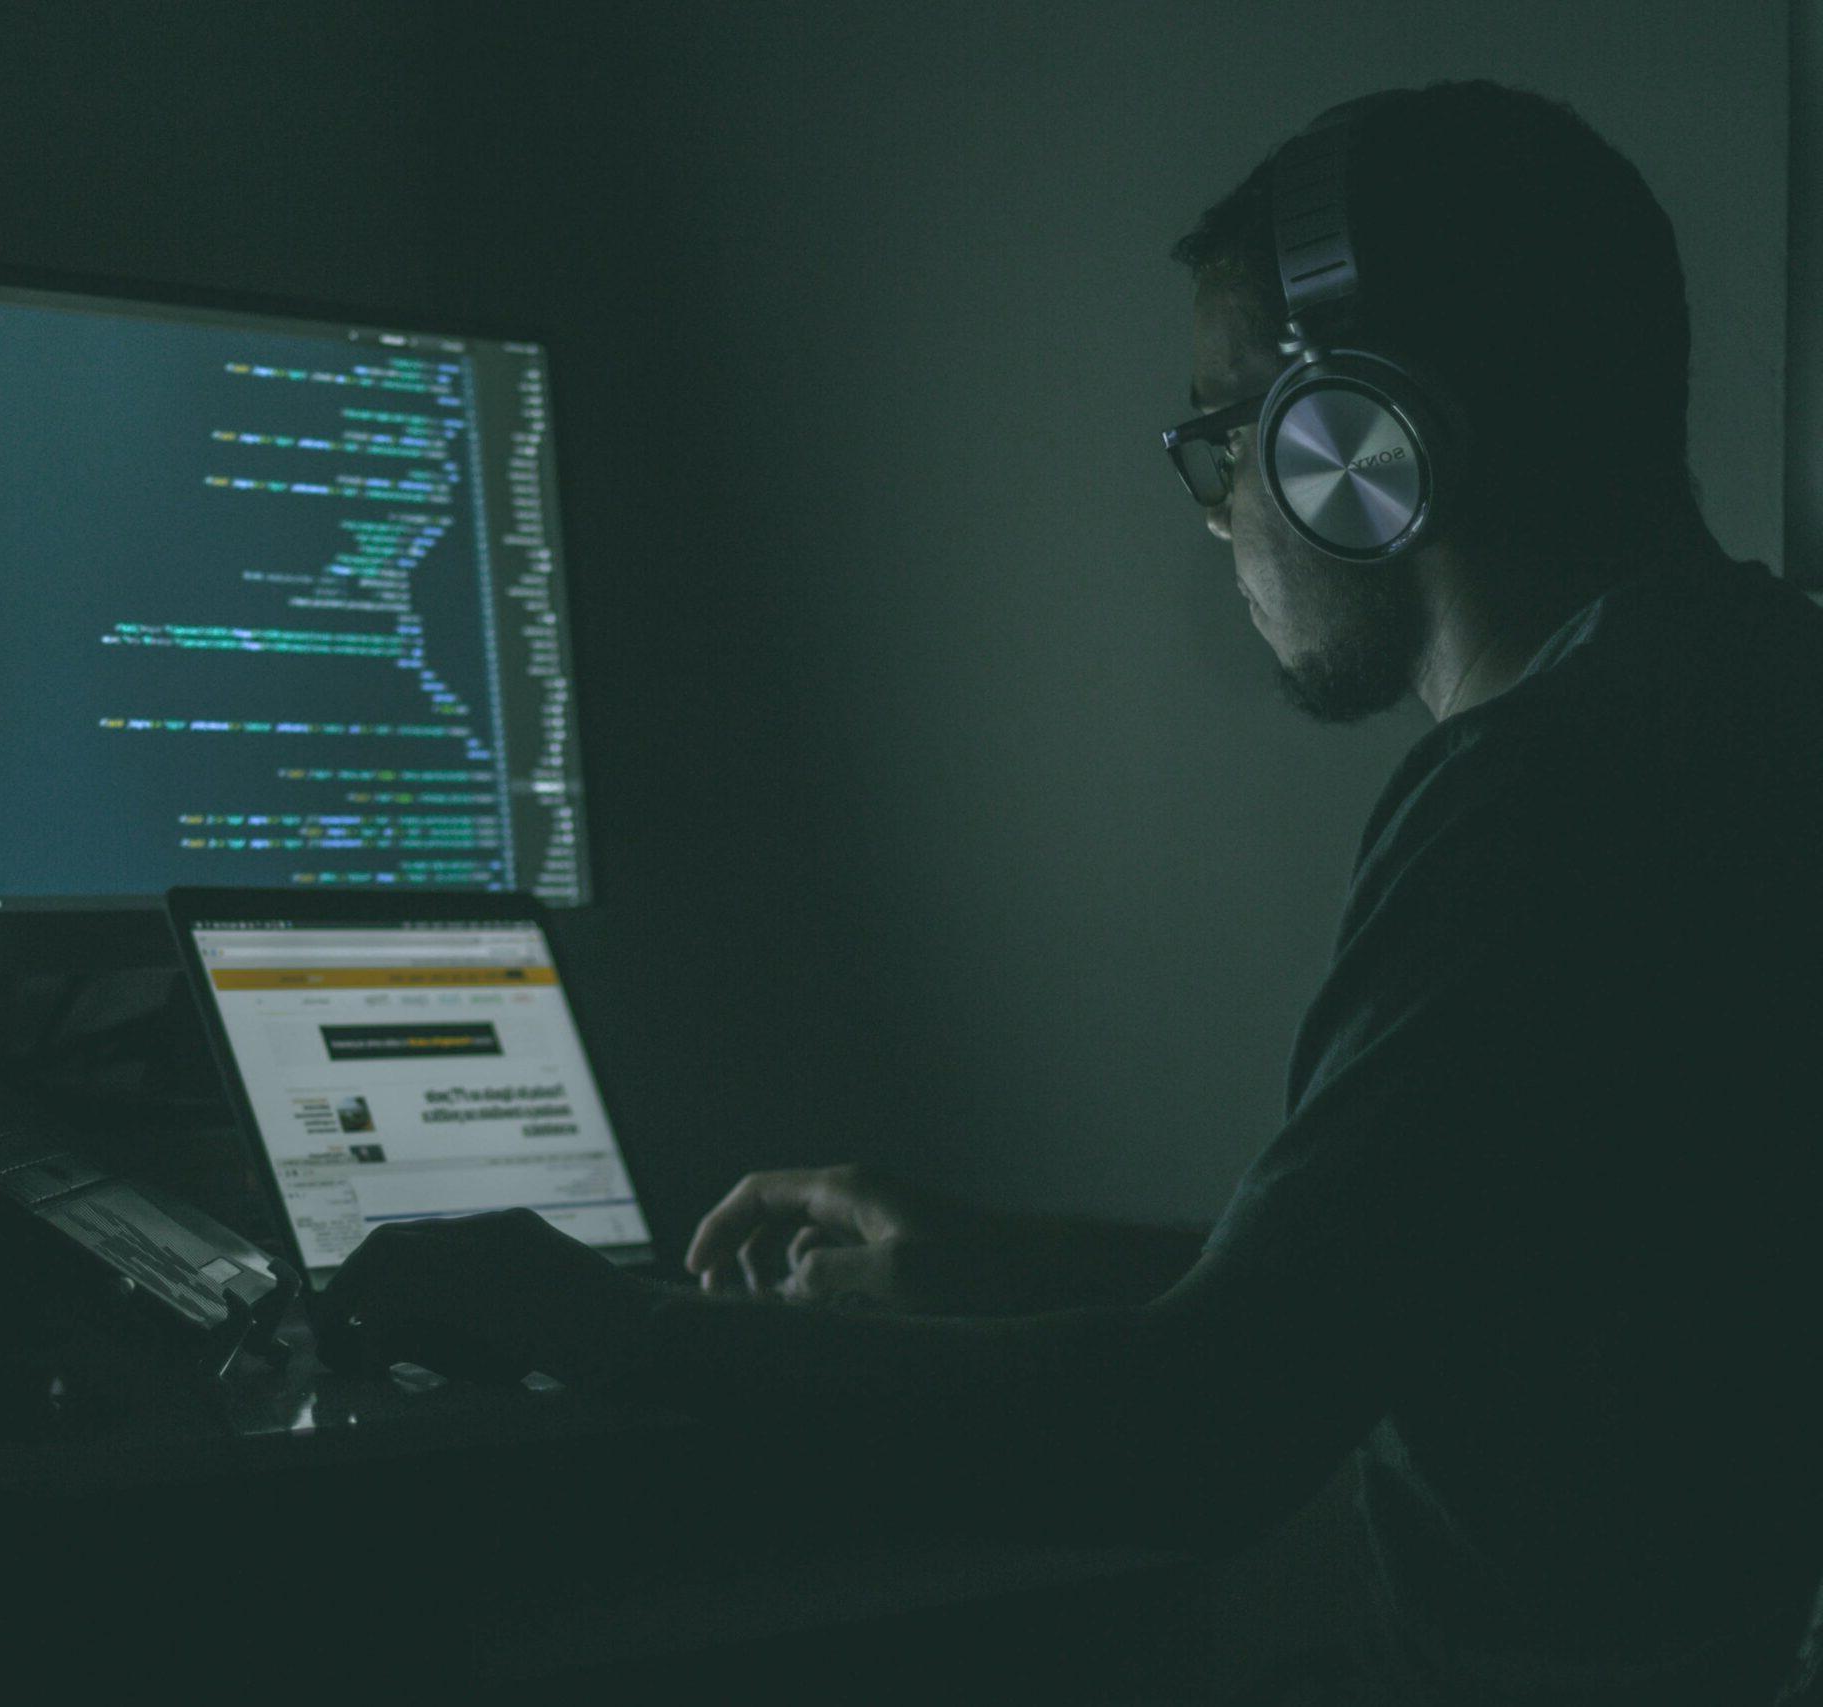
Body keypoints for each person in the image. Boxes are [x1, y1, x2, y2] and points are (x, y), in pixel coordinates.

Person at [317, 82, 1823, 1703]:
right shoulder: (1753, 693)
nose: (1225, 510)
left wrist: (600, 1329)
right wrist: (1007, 1265)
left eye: (1224, 436)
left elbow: (1197, 1438)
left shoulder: (1544, 790)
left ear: (1359, 447)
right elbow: (1415, 1291)